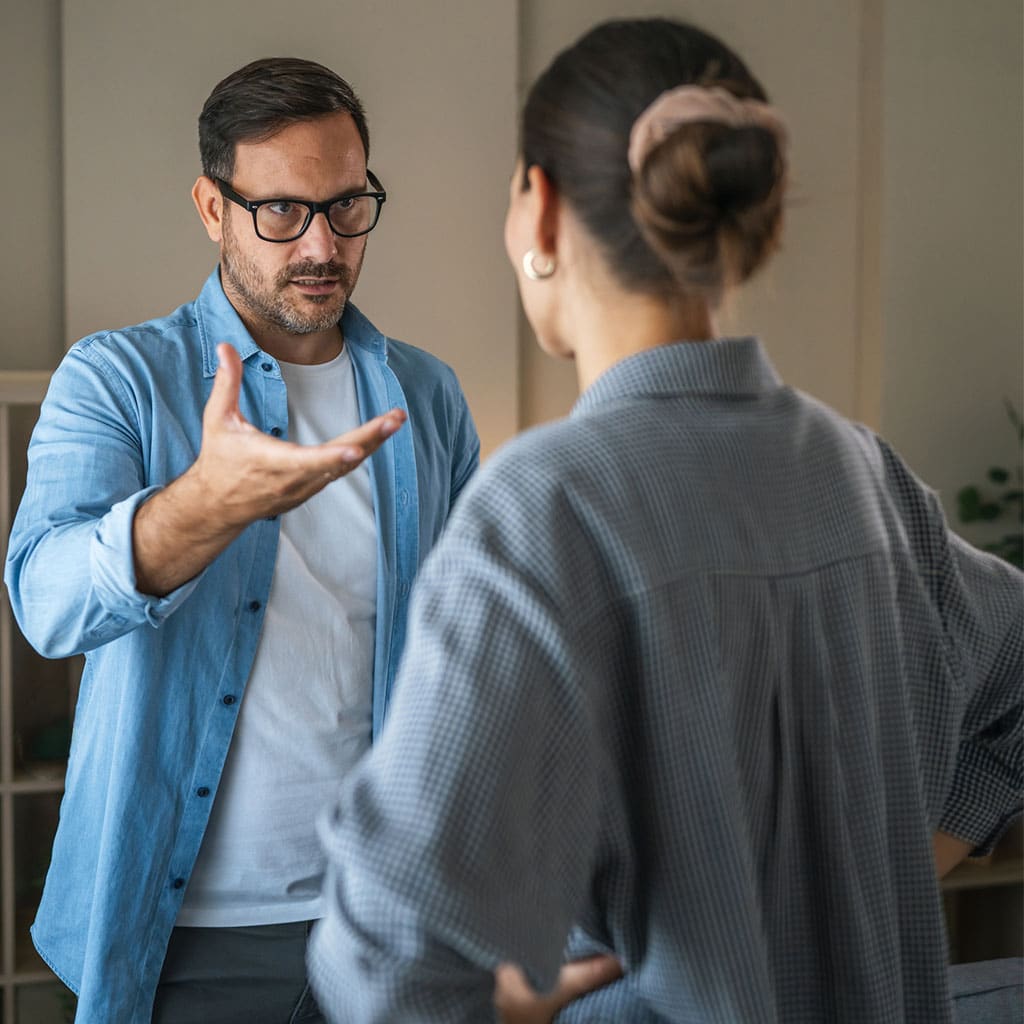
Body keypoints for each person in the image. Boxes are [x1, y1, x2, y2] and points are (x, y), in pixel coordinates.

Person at [307, 18, 1024, 1024]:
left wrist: (518, 1003)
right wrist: (885, 874)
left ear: (539, 210)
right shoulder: (864, 475)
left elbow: (384, 960)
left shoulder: (541, 510)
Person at [4, 57, 479, 1023]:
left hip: (384, 923)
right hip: (181, 934)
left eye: (348, 207)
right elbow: (47, 604)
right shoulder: (116, 378)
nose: (322, 244)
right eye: (282, 213)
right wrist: (204, 505)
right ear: (212, 209)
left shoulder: (426, 397)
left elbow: (468, 646)